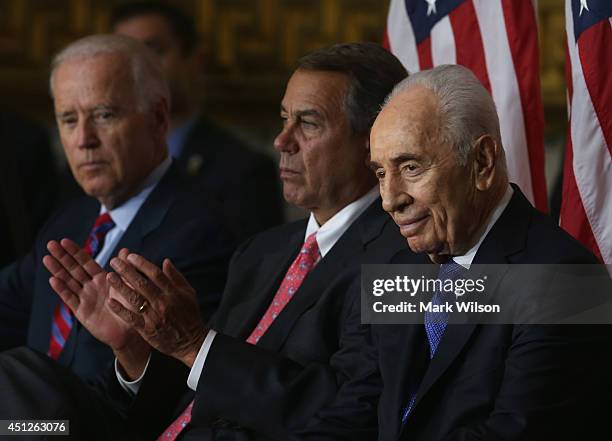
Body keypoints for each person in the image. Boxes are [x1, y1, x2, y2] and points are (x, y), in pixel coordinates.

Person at [37, 42, 409, 440]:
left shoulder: (401, 259)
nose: (282, 141)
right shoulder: (261, 252)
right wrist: (133, 350)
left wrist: (196, 344)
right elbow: (186, 392)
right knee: (22, 415)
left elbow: (349, 412)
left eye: (309, 123)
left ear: (372, 141)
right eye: (283, 119)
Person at [365, 64, 612, 440]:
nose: (389, 200)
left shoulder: (568, 282)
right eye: (381, 173)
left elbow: (514, 433)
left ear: (482, 162)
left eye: (411, 167)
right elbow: (363, 402)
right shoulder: (398, 264)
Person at [0, 34, 234, 381]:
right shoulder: (72, 218)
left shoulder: (201, 233)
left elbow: (175, 393)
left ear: (157, 118)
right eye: (68, 120)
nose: (83, 140)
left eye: (104, 115)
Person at [110, 1, 284, 243]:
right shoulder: (95, 158)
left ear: (196, 60)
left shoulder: (244, 171)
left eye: (154, 50)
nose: (139, 68)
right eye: (128, 57)